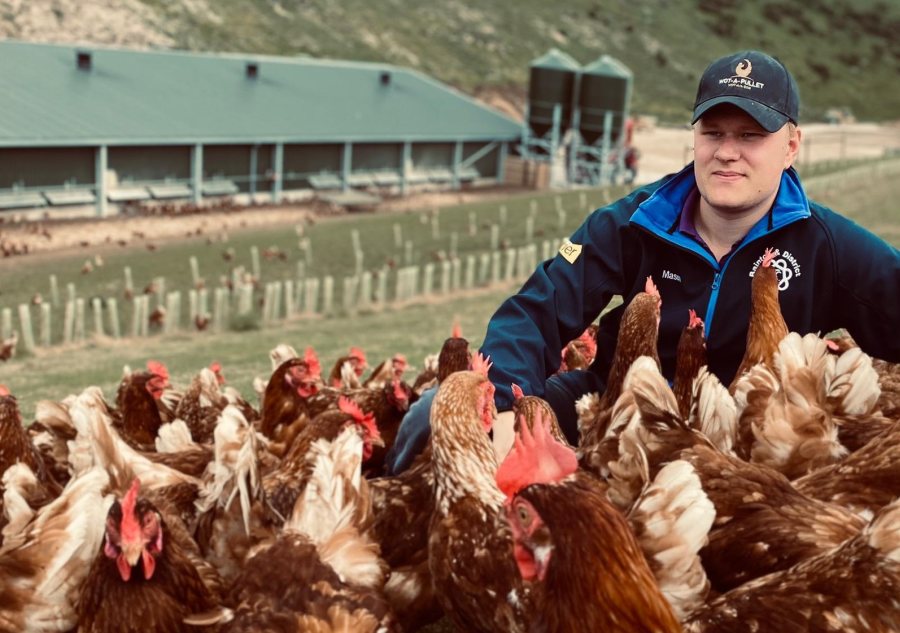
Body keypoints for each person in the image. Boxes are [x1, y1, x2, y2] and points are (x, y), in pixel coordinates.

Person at [481, 49, 900, 454]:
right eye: (713, 132)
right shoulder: (636, 220)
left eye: (751, 136)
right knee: (439, 414)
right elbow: (537, 311)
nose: (726, 152)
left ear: (791, 146)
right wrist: (501, 406)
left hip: (754, 438)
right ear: (695, 137)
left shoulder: (826, 245)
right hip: (616, 410)